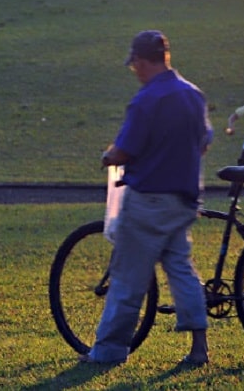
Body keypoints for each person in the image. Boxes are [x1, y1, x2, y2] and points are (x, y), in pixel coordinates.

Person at [80, 30, 213, 366]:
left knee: (127, 277)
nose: (134, 71)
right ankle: (199, 348)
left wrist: (107, 157)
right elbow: (204, 141)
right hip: (183, 200)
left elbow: (125, 150)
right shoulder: (193, 96)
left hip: (147, 200)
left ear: (141, 61)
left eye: (134, 64)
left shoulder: (147, 100)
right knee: (181, 270)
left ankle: (108, 351)